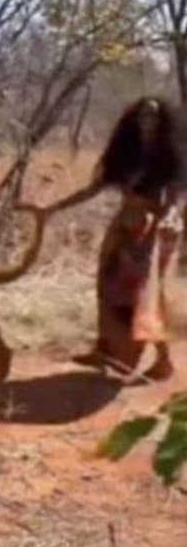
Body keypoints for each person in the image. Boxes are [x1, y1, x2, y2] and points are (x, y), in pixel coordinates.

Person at [26, 96, 187, 380]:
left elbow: (174, 195)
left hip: (157, 232)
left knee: (147, 294)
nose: (146, 122)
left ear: (163, 122)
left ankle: (164, 361)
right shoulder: (126, 155)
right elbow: (92, 190)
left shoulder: (170, 155)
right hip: (124, 228)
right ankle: (107, 350)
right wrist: (51, 209)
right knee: (108, 287)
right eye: (141, 117)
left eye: (152, 116)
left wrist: (172, 216)